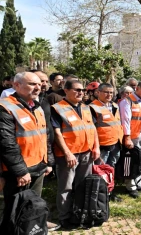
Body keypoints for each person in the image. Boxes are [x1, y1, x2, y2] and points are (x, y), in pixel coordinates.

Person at [0, 72, 56, 231]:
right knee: (15, 210)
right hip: (19, 172)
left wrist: (48, 162)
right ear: (16, 85)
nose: (38, 87)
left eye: (39, 84)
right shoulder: (5, 107)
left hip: (38, 167)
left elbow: (44, 137)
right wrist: (20, 171)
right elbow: (6, 144)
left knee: (33, 207)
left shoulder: (36, 106)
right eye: (32, 84)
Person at [51, 80, 100, 229]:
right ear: (66, 90)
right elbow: (57, 133)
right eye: (77, 90)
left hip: (86, 153)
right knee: (66, 187)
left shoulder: (86, 108)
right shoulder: (58, 109)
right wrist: (67, 153)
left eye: (82, 90)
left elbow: (93, 129)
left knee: (82, 186)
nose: (81, 92)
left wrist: (96, 147)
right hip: (68, 156)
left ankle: (79, 213)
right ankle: (64, 217)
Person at [119, 81, 141, 198]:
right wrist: (127, 137)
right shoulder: (127, 101)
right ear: (137, 88)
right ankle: (131, 185)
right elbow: (125, 121)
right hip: (134, 136)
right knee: (132, 161)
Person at [89, 83, 123, 201]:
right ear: (98, 92)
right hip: (102, 145)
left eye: (111, 92)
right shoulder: (92, 107)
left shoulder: (114, 106)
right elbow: (91, 129)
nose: (109, 95)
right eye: (106, 92)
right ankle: (100, 194)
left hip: (115, 143)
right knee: (100, 170)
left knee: (110, 169)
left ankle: (109, 192)